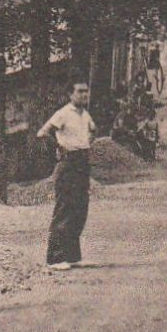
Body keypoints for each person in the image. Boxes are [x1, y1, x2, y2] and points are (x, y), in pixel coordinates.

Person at [37, 81, 96, 271]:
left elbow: (93, 131)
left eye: (86, 92)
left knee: (80, 208)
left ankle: (73, 256)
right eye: (79, 92)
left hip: (82, 162)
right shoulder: (63, 113)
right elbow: (43, 132)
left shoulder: (85, 114)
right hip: (68, 162)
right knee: (65, 208)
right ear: (71, 94)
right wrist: (59, 147)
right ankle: (55, 258)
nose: (84, 95)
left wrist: (87, 143)